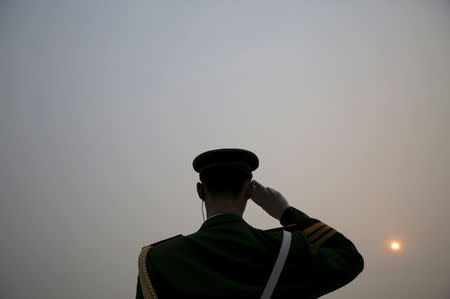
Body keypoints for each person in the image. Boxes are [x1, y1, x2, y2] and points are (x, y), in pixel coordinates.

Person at [136, 148, 364, 299]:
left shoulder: (158, 259)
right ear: (249, 191)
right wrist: (285, 212)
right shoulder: (285, 249)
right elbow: (348, 258)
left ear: (200, 190)